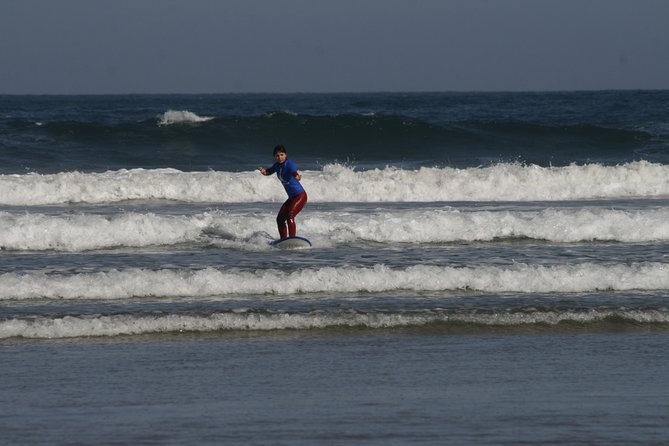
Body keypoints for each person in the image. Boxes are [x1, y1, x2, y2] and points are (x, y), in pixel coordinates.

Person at [258, 144, 308, 239]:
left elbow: (294, 172)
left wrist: (297, 176)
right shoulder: (277, 166)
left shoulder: (289, 164)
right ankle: (284, 240)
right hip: (292, 198)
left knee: (290, 215)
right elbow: (269, 171)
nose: (280, 157)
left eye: (282, 154)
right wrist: (264, 172)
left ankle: (292, 239)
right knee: (280, 219)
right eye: (277, 155)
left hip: (300, 196)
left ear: (285, 154)